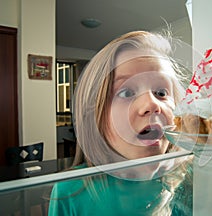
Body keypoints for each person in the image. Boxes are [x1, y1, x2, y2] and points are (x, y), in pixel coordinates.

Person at [48, 30, 193, 215]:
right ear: (96, 117)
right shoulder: (69, 191)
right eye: (126, 93)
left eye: (161, 93)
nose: (151, 104)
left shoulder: (189, 180)